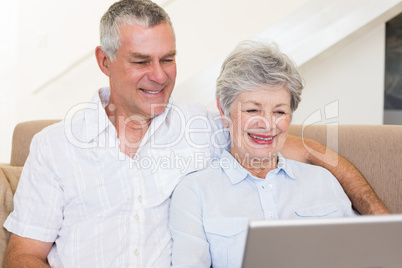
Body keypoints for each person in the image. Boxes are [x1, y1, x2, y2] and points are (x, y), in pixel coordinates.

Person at [3, 0, 388, 267]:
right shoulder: (55, 146)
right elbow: (24, 254)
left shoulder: (202, 126)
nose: (159, 75)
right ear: (105, 61)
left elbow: (305, 151)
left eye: (168, 59)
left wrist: (383, 225)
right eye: (141, 61)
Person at [169, 40, 359, 268]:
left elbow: (362, 257)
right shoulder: (195, 192)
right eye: (252, 110)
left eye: (279, 111)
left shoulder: (323, 182)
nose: (267, 124)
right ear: (224, 110)